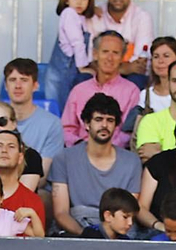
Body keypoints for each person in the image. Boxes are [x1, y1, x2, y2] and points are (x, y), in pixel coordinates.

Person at [50, 94, 143, 234]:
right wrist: (86, 235)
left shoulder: (132, 161)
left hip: (119, 232)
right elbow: (61, 213)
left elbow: (128, 211)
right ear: (87, 124)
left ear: (116, 125)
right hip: (78, 229)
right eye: (98, 119)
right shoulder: (64, 158)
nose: (104, 125)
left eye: (110, 120)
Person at [63, 32, 142, 148]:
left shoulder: (132, 92)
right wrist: (83, 147)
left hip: (115, 154)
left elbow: (128, 133)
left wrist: (104, 149)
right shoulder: (79, 90)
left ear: (122, 57)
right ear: (95, 54)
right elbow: (67, 129)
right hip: (80, 152)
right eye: (105, 52)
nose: (110, 58)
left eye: (115, 53)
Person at [0, 58, 65, 159]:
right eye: (12, 80)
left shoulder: (52, 124)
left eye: (24, 80)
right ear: (6, 86)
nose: (18, 86)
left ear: (35, 86)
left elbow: (44, 167)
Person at [47, 0, 98, 108]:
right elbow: (77, 43)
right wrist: (82, 67)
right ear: (66, 0)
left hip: (70, 70)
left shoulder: (82, 18)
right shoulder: (69, 14)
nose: (79, 2)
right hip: (63, 70)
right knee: (62, 106)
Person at [98, 0, 153, 80]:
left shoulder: (142, 17)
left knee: (137, 79)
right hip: (99, 73)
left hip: (129, 76)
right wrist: (123, 68)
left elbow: (141, 60)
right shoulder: (96, 15)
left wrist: (114, 68)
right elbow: (89, 57)